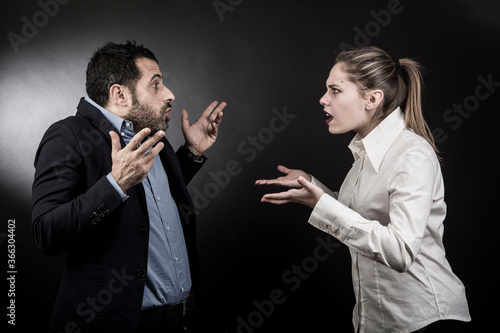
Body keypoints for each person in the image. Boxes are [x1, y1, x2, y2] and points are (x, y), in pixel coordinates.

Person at [256, 46, 471, 333]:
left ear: (372, 98)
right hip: (375, 322)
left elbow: (400, 250)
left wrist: (324, 205)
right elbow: (361, 216)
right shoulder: (364, 154)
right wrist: (313, 188)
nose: (323, 99)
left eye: (335, 90)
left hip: (425, 321)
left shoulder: (412, 154)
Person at [31, 41, 226, 333]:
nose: (170, 94)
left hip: (181, 320)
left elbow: (149, 203)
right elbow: (46, 233)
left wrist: (191, 153)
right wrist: (115, 184)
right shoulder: (68, 136)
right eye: (156, 85)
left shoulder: (150, 136)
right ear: (119, 93)